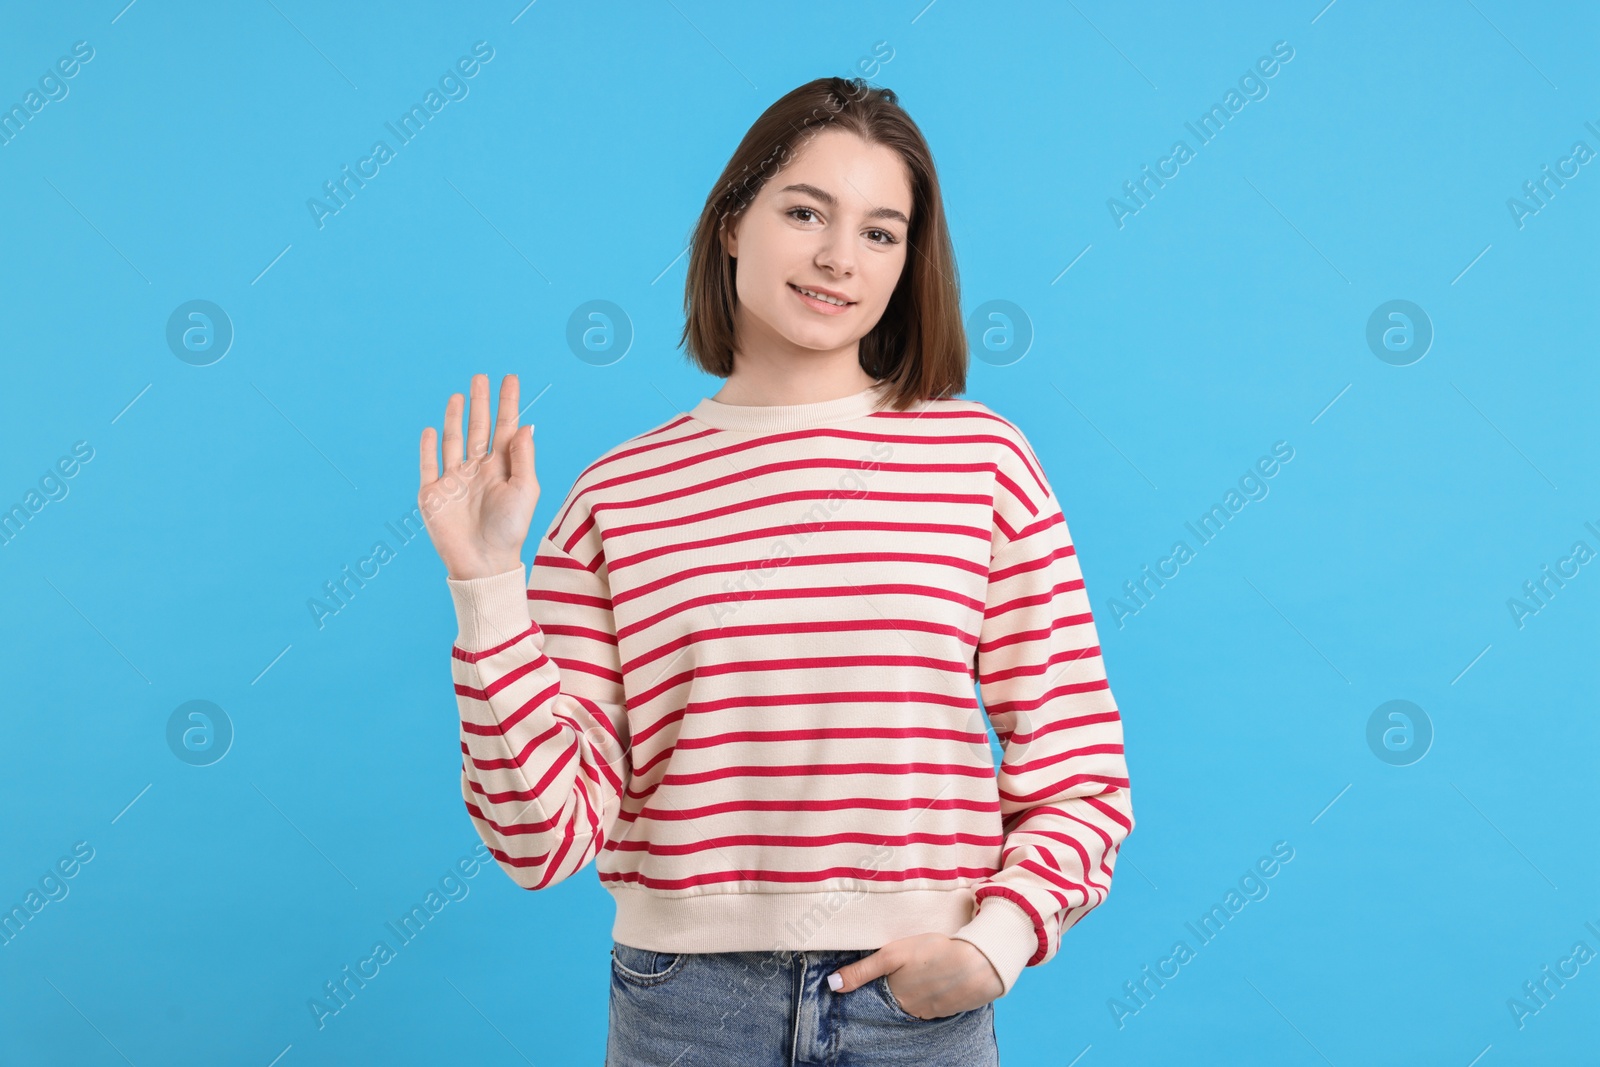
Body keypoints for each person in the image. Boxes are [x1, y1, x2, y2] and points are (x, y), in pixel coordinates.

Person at [417, 75, 1134, 1066]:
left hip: (915, 1006)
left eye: (882, 232)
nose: (840, 256)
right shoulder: (617, 495)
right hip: (685, 1007)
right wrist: (489, 584)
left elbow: (1080, 769)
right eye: (806, 211)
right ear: (730, 225)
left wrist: (994, 943)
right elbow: (543, 842)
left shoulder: (981, 463)